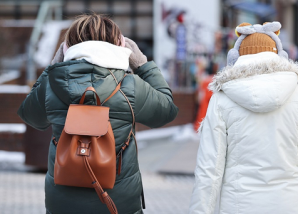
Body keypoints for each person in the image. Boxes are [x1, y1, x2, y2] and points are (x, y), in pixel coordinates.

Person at [18, 14, 178, 214]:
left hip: (62, 205)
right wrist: (143, 66)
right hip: (118, 204)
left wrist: (52, 67)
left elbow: (31, 116)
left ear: (67, 47)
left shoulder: (52, 83)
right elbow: (167, 111)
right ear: (120, 45)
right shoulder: (130, 85)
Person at [190, 22, 298, 214]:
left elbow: (208, 170)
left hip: (240, 206)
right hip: (294, 205)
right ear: (279, 56)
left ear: (237, 58)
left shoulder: (221, 101)